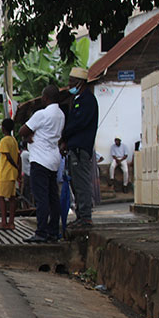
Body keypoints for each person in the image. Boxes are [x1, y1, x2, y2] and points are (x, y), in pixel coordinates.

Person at [20, 85, 65, 243]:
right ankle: (53, 231)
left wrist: (28, 136)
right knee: (53, 197)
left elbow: (22, 130)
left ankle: (41, 232)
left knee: (41, 198)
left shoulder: (42, 114)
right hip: (54, 159)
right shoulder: (61, 115)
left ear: (45, 98)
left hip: (40, 160)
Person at [60, 67, 99, 228]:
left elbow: (78, 123)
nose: (69, 86)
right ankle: (81, 215)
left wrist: (65, 135)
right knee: (75, 183)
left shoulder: (87, 100)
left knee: (82, 182)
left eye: (72, 82)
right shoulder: (77, 100)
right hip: (73, 147)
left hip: (81, 147)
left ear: (80, 82)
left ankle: (86, 216)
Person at [0, 118, 20, 230]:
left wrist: (15, 166)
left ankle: (4, 222)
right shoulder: (14, 140)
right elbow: (18, 156)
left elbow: (8, 157)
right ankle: (11, 222)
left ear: (3, 128)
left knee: (1, 197)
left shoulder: (4, 141)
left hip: (6, 173)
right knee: (12, 198)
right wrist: (18, 169)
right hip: (12, 173)